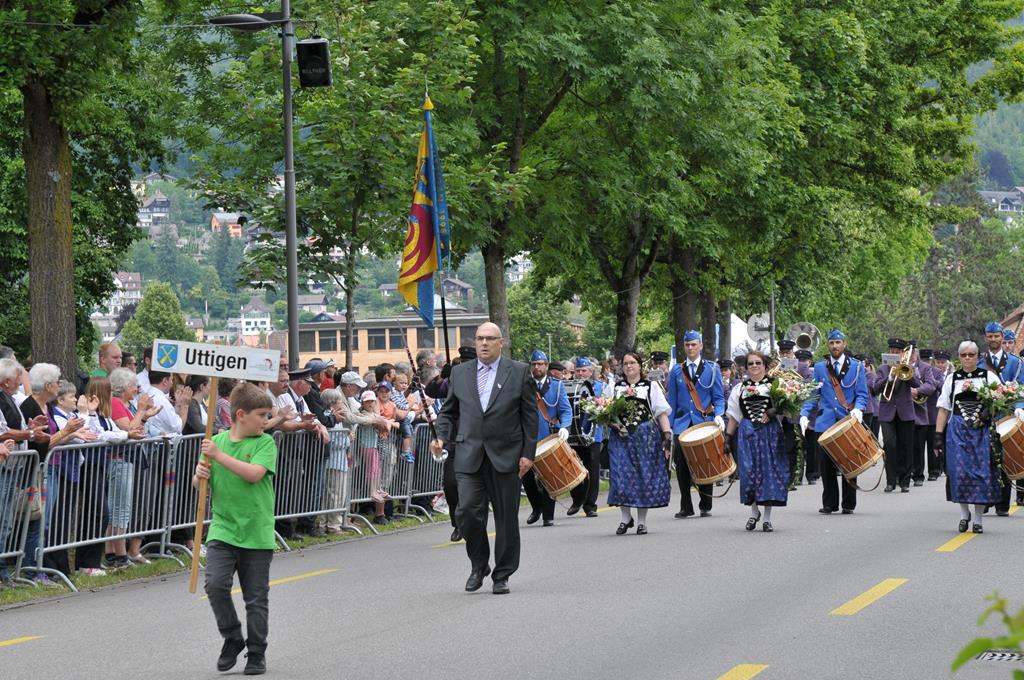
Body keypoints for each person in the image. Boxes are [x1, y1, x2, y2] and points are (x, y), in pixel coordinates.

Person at [431, 322, 538, 595]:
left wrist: (528, 454)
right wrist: (441, 437)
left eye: (490, 338)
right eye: (479, 338)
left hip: (507, 455)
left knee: (506, 519)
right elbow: (448, 411)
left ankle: (502, 574)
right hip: (469, 454)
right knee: (466, 511)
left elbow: (529, 417)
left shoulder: (519, 371)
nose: (484, 344)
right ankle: (479, 565)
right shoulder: (461, 372)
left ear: (501, 342)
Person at [194, 382, 277, 675]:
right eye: (262, 415)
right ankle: (232, 636)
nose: (267, 421)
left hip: (256, 531)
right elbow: (200, 482)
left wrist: (217, 457)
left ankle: (256, 652)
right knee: (215, 585)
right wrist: (199, 475)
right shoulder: (215, 441)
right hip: (223, 528)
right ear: (240, 415)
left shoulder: (265, 443)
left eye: (268, 415)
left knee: (256, 598)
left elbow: (254, 475)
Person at [933, 342, 1002, 534]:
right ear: (959, 356)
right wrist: (938, 435)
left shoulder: (988, 377)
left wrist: (988, 413)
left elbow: (1001, 401)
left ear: (977, 356)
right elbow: (943, 409)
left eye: (971, 354)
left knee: (981, 474)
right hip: (957, 430)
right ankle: (964, 515)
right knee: (959, 473)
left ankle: (978, 519)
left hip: (981, 431)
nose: (968, 358)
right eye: (964, 355)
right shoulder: (952, 379)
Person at [800, 329, 869, 515]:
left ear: (844, 344)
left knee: (850, 461)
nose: (835, 346)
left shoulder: (856, 366)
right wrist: (804, 414)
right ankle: (830, 503)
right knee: (826, 464)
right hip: (825, 421)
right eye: (832, 343)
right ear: (828, 345)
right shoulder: (821, 368)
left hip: (847, 420)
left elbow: (862, 394)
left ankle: (848, 503)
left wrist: (858, 408)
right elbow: (814, 394)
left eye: (838, 343)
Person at [604, 352, 672, 535]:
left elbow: (661, 412)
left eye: (632, 363)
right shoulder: (614, 387)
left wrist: (667, 435)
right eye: (625, 363)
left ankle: (642, 521)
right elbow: (605, 413)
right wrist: (613, 423)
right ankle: (625, 518)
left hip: (645, 437)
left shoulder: (650, 387)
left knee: (644, 476)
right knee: (620, 476)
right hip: (621, 437)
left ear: (640, 366)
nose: (629, 366)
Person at [725, 351, 788, 532]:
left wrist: (773, 411)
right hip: (747, 432)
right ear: (746, 367)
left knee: (768, 472)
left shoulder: (775, 385)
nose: (754, 366)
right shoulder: (740, 388)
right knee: (748, 471)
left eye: (758, 363)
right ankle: (754, 512)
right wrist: (728, 438)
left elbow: (787, 405)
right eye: (750, 363)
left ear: (764, 365)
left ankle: (767, 518)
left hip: (769, 433)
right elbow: (734, 417)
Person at [666, 330, 726, 518]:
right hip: (682, 424)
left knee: (704, 461)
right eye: (687, 345)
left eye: (694, 344)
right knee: (682, 465)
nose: (690, 348)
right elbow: (672, 402)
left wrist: (719, 415)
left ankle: (705, 501)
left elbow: (718, 397)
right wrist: (668, 428)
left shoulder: (712, 368)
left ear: (700, 346)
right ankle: (686, 505)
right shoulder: (676, 371)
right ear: (683, 347)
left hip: (704, 422)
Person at [979, 321, 1024, 516]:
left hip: (1007, 414)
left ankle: (1002, 504)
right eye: (990, 336)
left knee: (1004, 457)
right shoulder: (980, 362)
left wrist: (1020, 407)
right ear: (986, 338)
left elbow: (1021, 387)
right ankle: (987, 498)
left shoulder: (1015, 362)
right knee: (985, 458)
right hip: (986, 415)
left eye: (997, 336)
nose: (994, 339)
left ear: (1002, 338)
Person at [523, 350, 570, 527]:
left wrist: (565, 426)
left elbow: (565, 409)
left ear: (546, 366)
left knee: (548, 476)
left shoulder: (557, 386)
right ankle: (536, 507)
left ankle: (547, 515)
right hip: (527, 437)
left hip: (548, 436)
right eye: (534, 364)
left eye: (540, 364)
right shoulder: (524, 385)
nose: (537, 367)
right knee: (526, 477)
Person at [871, 338, 924, 493]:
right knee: (889, 445)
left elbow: (917, 384)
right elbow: (875, 389)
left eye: (897, 351)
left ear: (902, 353)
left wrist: (905, 370)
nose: (894, 353)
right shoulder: (882, 368)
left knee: (906, 447)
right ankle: (890, 481)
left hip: (905, 413)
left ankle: (905, 481)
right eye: (892, 351)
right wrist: (889, 378)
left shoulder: (907, 367)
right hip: (887, 412)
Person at [568, 357, 601, 517]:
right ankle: (577, 499)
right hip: (574, 433)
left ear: (591, 371)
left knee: (592, 469)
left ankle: (590, 505)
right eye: (578, 371)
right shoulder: (570, 386)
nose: (581, 374)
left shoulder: (600, 386)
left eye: (584, 370)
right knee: (574, 467)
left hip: (593, 434)